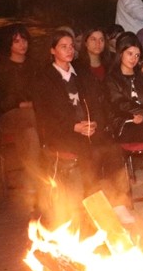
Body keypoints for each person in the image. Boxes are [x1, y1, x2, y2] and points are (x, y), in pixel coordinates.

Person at [31, 29, 127, 222]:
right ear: (52, 50)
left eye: (71, 46)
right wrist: (74, 127)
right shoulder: (44, 79)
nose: (69, 50)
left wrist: (95, 123)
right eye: (63, 47)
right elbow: (45, 116)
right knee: (88, 153)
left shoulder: (81, 73)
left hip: (87, 129)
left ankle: (118, 202)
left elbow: (96, 102)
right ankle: (90, 207)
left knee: (112, 148)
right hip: (62, 133)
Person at [105, 33, 143, 208]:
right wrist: (136, 115)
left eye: (137, 55)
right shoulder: (112, 79)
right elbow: (119, 103)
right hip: (123, 126)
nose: (133, 59)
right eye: (129, 54)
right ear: (120, 54)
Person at [0, 24, 41, 191]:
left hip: (33, 118)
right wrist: (18, 104)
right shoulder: (1, 68)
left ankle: (32, 178)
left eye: (24, 40)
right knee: (33, 118)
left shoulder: (34, 66)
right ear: (9, 44)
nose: (22, 44)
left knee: (30, 133)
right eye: (16, 41)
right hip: (8, 115)